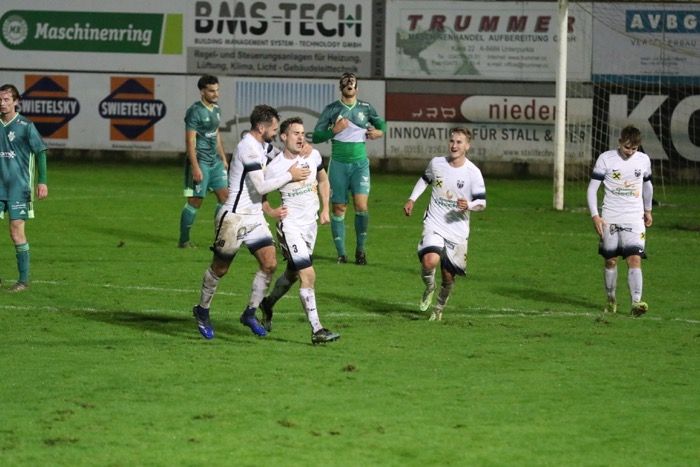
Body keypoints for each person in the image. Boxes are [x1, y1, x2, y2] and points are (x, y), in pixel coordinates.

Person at [190, 105, 310, 339]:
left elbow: (281, 157)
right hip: (234, 218)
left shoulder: (263, 146)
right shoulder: (248, 148)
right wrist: (291, 175)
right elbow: (262, 186)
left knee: (270, 263)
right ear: (261, 128)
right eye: (274, 129)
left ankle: (250, 313)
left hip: (254, 218)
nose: (275, 133)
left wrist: (303, 149)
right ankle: (202, 310)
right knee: (220, 269)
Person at [259, 117, 340, 344]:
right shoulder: (275, 167)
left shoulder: (313, 156)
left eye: (303, 133)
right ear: (284, 137)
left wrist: (325, 208)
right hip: (290, 226)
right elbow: (259, 192)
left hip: (310, 226)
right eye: (295, 133)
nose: (301, 137)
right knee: (308, 274)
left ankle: (267, 304)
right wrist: (270, 210)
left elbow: (323, 180)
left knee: (293, 273)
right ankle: (317, 330)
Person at [403, 128, 486, 321]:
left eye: (459, 142)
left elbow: (482, 202)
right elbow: (425, 180)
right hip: (434, 222)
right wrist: (412, 199)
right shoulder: (437, 163)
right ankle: (429, 287)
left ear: (467, 146)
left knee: (448, 276)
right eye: (452, 141)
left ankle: (439, 308)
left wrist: (469, 205)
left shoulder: (473, 173)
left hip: (457, 230)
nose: (454, 145)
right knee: (429, 261)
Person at [312, 72, 386, 265]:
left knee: (361, 206)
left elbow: (381, 124)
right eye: (346, 83)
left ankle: (360, 251)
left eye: (352, 83)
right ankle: (341, 254)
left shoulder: (365, 108)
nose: (349, 85)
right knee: (339, 207)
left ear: (357, 88)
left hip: (360, 165)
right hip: (338, 164)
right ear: (341, 88)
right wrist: (333, 130)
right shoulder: (332, 109)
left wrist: (379, 132)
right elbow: (317, 136)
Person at [587, 125, 653, 317]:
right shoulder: (606, 159)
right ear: (620, 142)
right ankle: (611, 299)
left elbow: (648, 186)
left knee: (635, 258)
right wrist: (595, 215)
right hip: (610, 218)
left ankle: (636, 302)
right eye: (627, 147)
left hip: (634, 218)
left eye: (634, 148)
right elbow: (592, 189)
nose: (630, 152)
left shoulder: (643, 160)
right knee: (611, 261)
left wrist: (648, 210)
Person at [0, 84, 48, 292]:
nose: (2, 104)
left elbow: (40, 152)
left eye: (6, 100)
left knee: (16, 232)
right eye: (0, 100)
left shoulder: (26, 126)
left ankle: (23, 280)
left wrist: (42, 181)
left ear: (16, 101)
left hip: (19, 188)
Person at [179, 74, 229, 248]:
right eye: (212, 91)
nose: (216, 94)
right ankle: (184, 241)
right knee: (195, 201)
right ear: (202, 91)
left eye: (217, 90)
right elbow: (190, 141)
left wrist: (223, 158)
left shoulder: (217, 110)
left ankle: (220, 237)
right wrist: (195, 167)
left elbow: (216, 134)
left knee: (226, 198)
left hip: (215, 162)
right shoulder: (194, 111)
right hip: (199, 161)